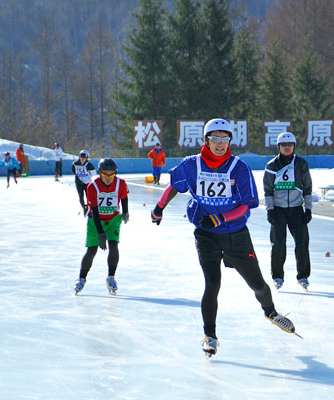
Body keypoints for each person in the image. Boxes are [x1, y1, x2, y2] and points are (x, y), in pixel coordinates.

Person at [150, 118, 296, 358]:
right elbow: (174, 185)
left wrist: (221, 219)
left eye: (225, 138)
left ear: (230, 140)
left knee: (258, 284)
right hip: (206, 235)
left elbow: (246, 206)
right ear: (205, 140)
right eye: (215, 138)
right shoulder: (192, 165)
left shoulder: (238, 168)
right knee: (212, 283)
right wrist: (159, 207)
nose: (220, 143)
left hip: (235, 235)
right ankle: (210, 335)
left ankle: (270, 313)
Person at [263, 132, 313, 291]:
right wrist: (270, 210)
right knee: (278, 244)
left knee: (302, 243)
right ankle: (277, 276)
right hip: (278, 210)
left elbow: (308, 187)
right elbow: (268, 190)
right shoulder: (272, 166)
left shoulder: (301, 164)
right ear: (279, 147)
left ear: (294, 146)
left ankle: (303, 276)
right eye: (284, 145)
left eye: (290, 145)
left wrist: (309, 208)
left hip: (297, 210)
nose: (287, 148)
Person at [74, 158, 129, 295]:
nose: (109, 178)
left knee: (114, 245)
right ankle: (81, 278)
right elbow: (94, 210)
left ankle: (111, 277)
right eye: (105, 174)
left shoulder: (120, 183)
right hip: (95, 221)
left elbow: (124, 198)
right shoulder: (93, 186)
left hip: (113, 220)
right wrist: (100, 233)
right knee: (92, 250)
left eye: (112, 174)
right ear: (100, 173)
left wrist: (126, 212)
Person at [71, 150, 96, 216]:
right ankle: (84, 208)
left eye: (84, 157)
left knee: (88, 196)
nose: (82, 159)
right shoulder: (75, 164)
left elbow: (93, 173)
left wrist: (87, 176)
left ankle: (89, 208)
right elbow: (73, 171)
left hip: (87, 182)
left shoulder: (89, 165)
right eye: (81, 157)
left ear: (87, 158)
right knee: (80, 196)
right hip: (78, 182)